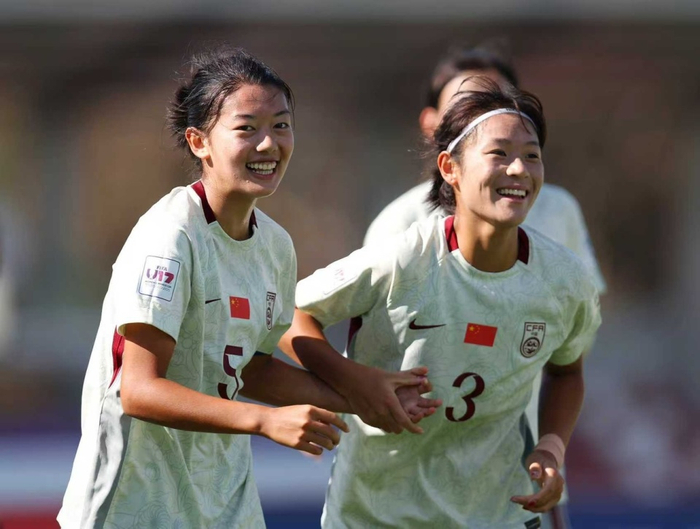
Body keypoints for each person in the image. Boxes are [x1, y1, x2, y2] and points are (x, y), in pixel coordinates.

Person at [57, 47, 433, 528]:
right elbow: (139, 390)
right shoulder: (170, 237)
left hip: (223, 498)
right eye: (247, 128)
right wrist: (265, 420)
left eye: (281, 125)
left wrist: (362, 398)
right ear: (199, 142)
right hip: (137, 499)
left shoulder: (275, 246)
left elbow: (248, 367)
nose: (268, 144)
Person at [280, 82, 601, 528]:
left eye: (532, 155)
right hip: (376, 514)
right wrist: (355, 382)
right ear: (450, 168)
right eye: (499, 153)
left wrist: (551, 447)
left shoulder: (564, 280)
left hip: (498, 514)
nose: (519, 169)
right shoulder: (404, 258)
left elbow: (568, 371)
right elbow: (291, 314)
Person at [363, 42, 606, 528]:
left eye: (498, 101)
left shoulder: (557, 211)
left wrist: (549, 439)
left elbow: (575, 334)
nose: (489, 115)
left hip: (517, 468)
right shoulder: (402, 228)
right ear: (434, 126)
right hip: (410, 484)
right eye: (469, 104)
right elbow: (347, 339)